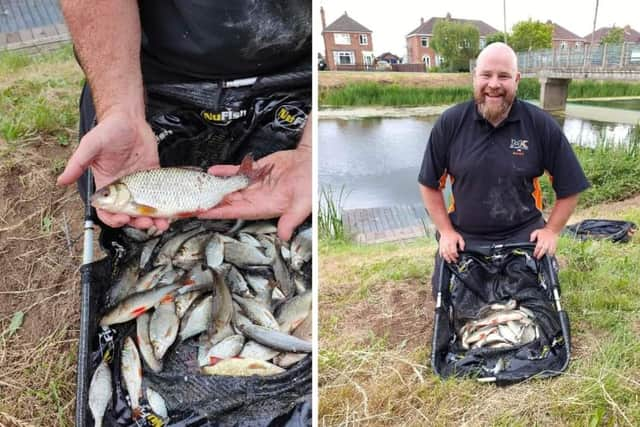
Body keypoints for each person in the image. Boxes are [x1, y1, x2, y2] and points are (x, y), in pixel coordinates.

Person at [56, 0, 311, 241]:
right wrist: (121, 111)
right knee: (121, 223)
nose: (102, 196)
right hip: (146, 70)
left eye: (109, 194)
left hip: (298, 68)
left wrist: (311, 150)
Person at [418, 42, 590, 265]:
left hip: (525, 235)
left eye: (503, 76)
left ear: (517, 80)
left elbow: (571, 186)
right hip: (464, 235)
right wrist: (446, 231)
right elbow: (429, 183)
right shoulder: (450, 123)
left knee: (531, 299)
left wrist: (551, 231)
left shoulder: (541, 125)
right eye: (486, 75)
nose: (494, 84)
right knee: (454, 297)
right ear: (475, 77)